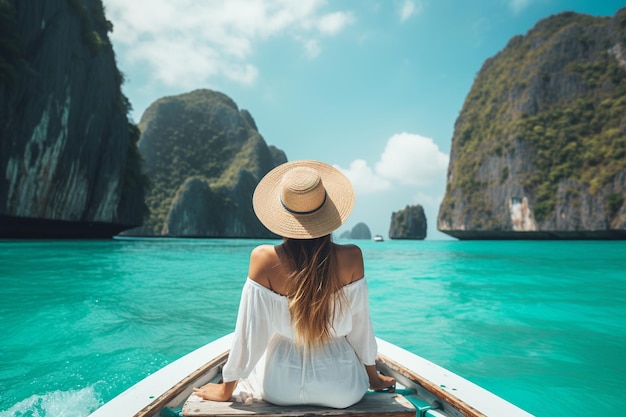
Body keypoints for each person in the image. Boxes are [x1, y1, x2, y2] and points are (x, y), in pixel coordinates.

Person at [193, 160, 395, 408]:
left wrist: (227, 388)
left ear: (282, 214)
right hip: (340, 387)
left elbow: (248, 332)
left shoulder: (263, 259)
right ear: (328, 213)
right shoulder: (352, 257)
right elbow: (361, 328)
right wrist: (372, 378)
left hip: (278, 387)